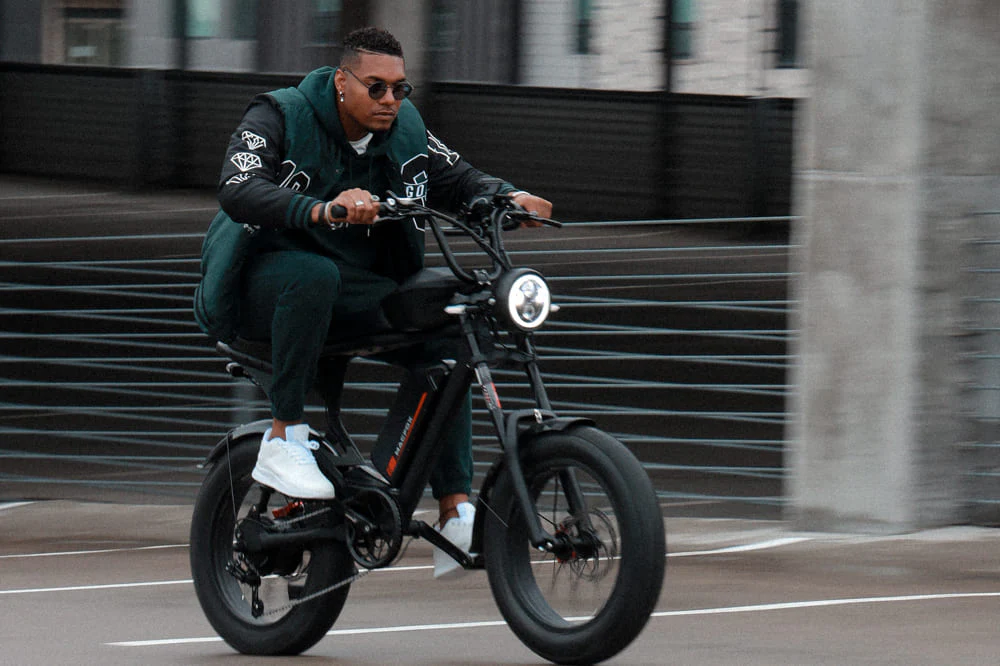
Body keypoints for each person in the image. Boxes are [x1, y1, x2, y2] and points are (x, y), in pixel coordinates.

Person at [199, 27, 552, 577]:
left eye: (400, 88)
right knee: (312, 274)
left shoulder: (405, 127)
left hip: (352, 286)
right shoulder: (280, 113)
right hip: (258, 286)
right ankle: (283, 437)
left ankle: (453, 511)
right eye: (377, 87)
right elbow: (237, 188)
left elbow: (457, 178)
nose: (391, 99)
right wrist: (319, 209)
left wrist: (508, 196)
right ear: (342, 83)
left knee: (454, 317)